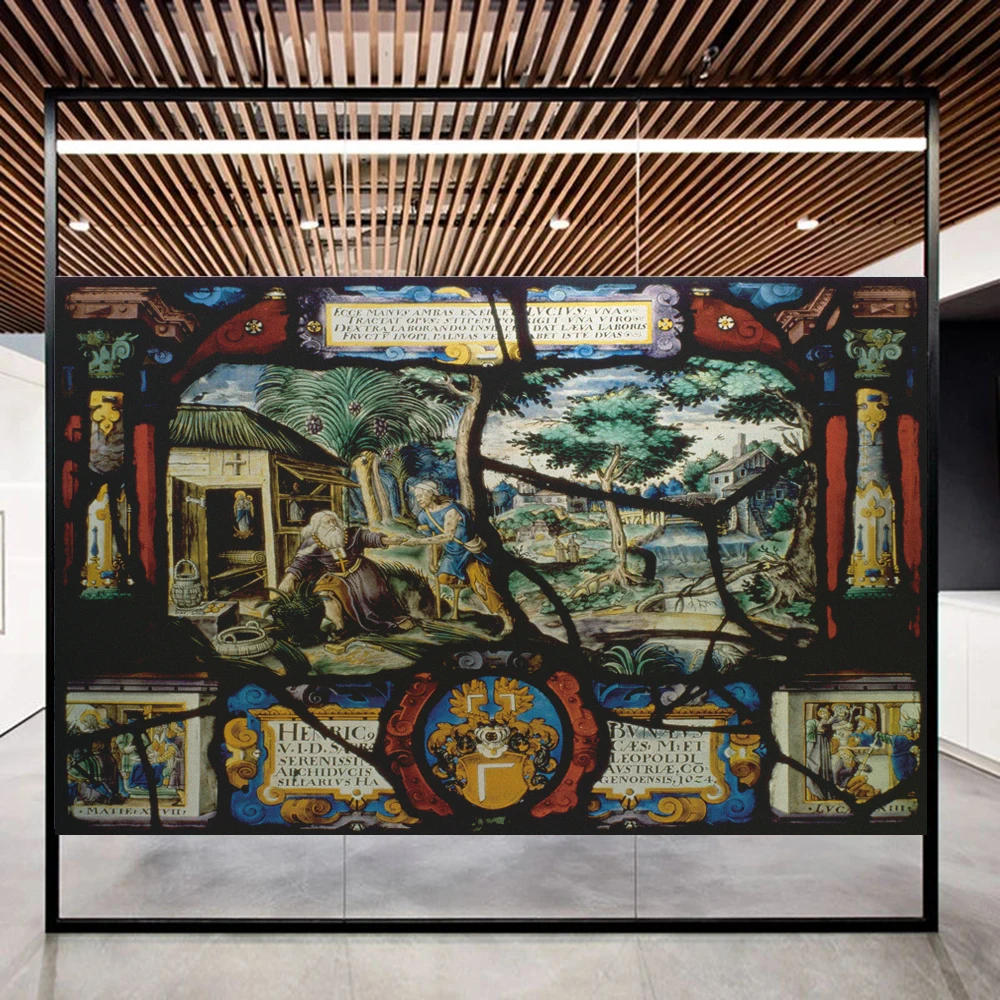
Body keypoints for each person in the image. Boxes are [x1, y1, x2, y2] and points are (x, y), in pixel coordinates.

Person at [279, 510, 414, 641]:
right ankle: (339, 629)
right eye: (327, 522)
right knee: (325, 596)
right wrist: (290, 577)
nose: (332, 525)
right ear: (317, 527)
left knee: (374, 595)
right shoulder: (312, 543)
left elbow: (368, 537)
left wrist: (389, 540)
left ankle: (385, 622)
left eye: (334, 521)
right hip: (335, 576)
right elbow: (301, 561)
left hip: (361, 571)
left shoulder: (351, 534)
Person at [410, 480, 512, 630]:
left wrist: (418, 541)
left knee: (481, 587)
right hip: (452, 555)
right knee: (443, 578)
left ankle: (506, 617)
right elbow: (435, 540)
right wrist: (433, 560)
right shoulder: (423, 516)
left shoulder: (452, 510)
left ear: (431, 494)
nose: (418, 499)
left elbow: (447, 536)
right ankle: (463, 586)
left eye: (420, 495)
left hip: (469, 553)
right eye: (416, 496)